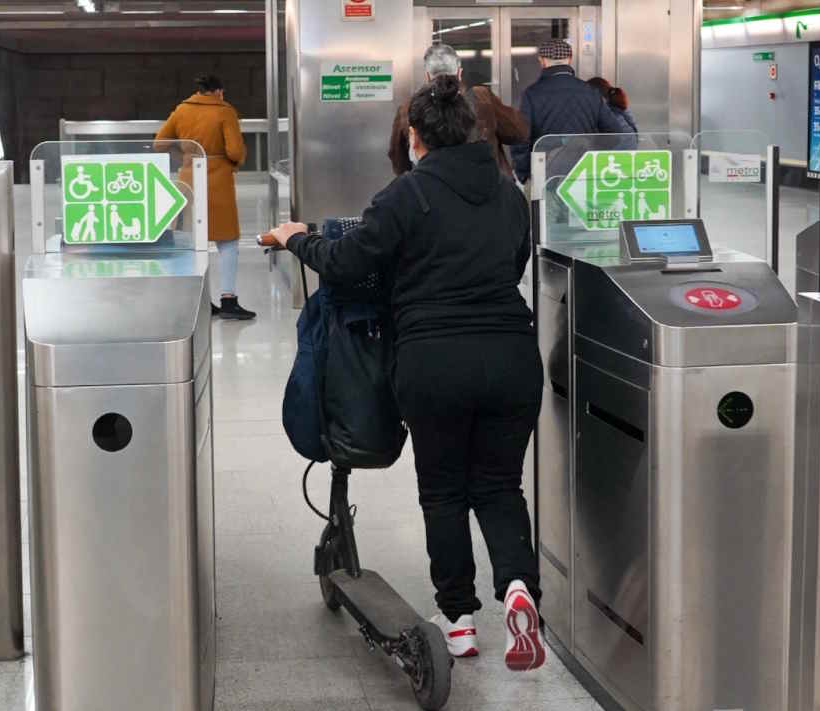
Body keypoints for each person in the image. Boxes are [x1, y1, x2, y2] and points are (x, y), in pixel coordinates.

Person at [267, 75, 546, 671]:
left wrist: (297, 238)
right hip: (512, 356)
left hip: (434, 361)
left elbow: (346, 262)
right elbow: (515, 262)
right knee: (499, 486)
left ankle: (460, 622)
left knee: (443, 492)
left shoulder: (407, 195)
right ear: (471, 130)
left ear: (415, 136)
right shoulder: (509, 196)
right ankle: (520, 589)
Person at [156, 73, 253, 319]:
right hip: (218, 181)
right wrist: (236, 160)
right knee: (227, 241)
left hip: (189, 179)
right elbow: (234, 150)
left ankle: (200, 301)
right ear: (219, 92)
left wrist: (185, 154)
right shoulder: (224, 111)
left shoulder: (182, 110)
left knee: (193, 242)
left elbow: (159, 143)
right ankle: (229, 300)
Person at [389, 43, 528, 178]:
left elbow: (398, 159)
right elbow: (519, 133)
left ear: (427, 76)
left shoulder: (408, 108)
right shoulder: (483, 98)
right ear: (459, 73)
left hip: (433, 194)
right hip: (488, 189)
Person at [510, 38, 630, 185]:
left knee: (547, 208)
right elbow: (614, 134)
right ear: (570, 59)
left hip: (546, 174)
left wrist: (524, 174)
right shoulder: (590, 92)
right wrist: (589, 150)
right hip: (583, 172)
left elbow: (521, 139)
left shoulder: (532, 94)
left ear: (542, 61)